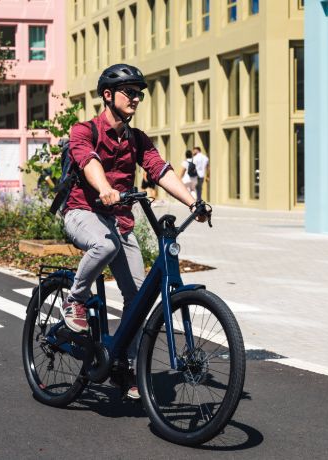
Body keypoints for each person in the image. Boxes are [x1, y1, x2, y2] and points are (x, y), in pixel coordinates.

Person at [61, 63, 207, 400]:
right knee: (104, 244)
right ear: (109, 95)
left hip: (120, 221)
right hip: (83, 211)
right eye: (130, 92)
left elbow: (160, 169)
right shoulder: (84, 130)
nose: (136, 98)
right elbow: (88, 161)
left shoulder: (137, 139)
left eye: (139, 93)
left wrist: (192, 202)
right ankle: (74, 300)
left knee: (139, 299)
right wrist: (105, 188)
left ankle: (123, 364)